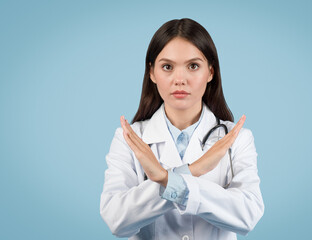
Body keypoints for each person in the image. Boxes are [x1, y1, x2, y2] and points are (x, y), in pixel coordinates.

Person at [100, 18, 264, 240]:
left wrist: (166, 179)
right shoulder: (129, 138)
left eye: (193, 66)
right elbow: (116, 220)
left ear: (211, 72)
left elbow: (247, 215)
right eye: (167, 67)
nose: (180, 79)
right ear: (152, 73)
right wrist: (193, 170)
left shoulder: (237, 138)